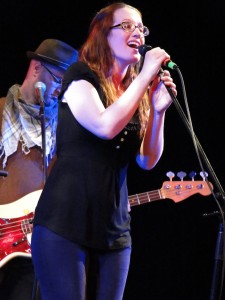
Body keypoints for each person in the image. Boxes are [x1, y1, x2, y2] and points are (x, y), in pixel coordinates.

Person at [31, 2, 177, 300]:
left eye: (141, 27)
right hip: (64, 225)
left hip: (114, 232)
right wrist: (144, 75)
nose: (137, 31)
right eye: (126, 25)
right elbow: (104, 125)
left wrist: (159, 112)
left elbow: (147, 160)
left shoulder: (132, 93)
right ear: (102, 35)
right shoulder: (80, 76)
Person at [0, 39, 78, 300]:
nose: (59, 89)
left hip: (29, 251)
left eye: (65, 84)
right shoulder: (0, 111)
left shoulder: (65, 129)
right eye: (57, 79)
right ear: (36, 68)